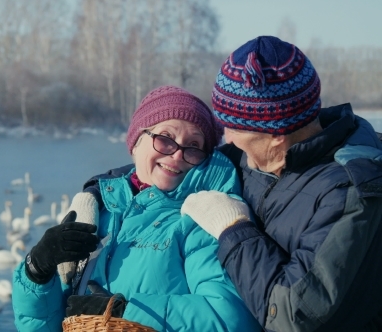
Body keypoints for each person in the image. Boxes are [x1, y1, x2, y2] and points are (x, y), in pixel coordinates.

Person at [85, 36, 382, 332]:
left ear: (277, 133)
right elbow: (164, 163)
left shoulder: (351, 191)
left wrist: (234, 229)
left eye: (235, 128)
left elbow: (293, 315)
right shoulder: (254, 154)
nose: (227, 138)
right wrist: (96, 195)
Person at [11, 85, 261, 331]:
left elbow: (231, 319)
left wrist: (124, 311)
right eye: (165, 139)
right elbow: (44, 326)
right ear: (136, 141)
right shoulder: (98, 214)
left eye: (193, 146)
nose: (177, 155)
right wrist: (37, 270)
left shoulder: (201, 219)